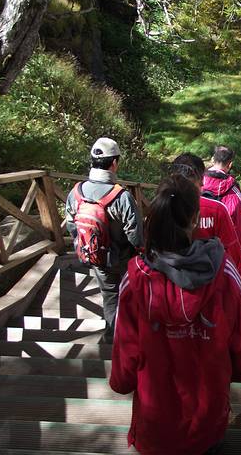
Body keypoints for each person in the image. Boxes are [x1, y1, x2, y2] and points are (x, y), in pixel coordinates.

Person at [110, 173, 241, 455]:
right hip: (208, 415)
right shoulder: (225, 274)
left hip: (155, 420)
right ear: (195, 219)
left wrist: (122, 381)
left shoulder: (135, 279)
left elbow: (124, 351)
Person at [65, 137, 143, 344]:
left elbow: (71, 225)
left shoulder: (76, 192)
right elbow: (135, 235)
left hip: (95, 256)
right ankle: (130, 339)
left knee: (109, 295)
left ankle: (111, 336)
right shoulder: (121, 196)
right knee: (129, 295)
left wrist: (86, 245)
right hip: (123, 259)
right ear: (114, 163)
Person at [171, 153, 241, 289]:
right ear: (201, 179)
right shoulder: (217, 208)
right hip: (209, 285)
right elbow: (232, 249)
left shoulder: (160, 205)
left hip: (168, 284)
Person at [202, 146, 241, 253]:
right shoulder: (233, 190)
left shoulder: (197, 182)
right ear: (230, 164)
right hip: (221, 250)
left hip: (194, 246)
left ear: (213, 159)